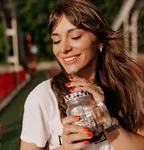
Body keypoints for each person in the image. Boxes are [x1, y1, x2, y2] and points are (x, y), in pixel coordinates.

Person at [20, 0, 144, 150]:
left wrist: (107, 122)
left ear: (100, 41)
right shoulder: (42, 96)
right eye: (56, 40)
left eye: (75, 36)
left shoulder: (123, 86)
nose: (63, 48)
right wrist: (65, 148)